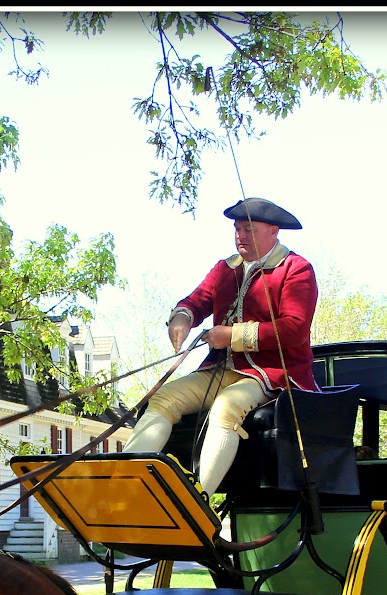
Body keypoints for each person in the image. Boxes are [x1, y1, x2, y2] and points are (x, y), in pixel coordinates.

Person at [124, 197, 318, 495]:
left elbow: (293, 329)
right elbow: (196, 301)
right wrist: (181, 317)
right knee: (162, 399)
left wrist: (231, 336)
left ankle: (200, 499)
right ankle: (125, 490)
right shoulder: (225, 269)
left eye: (249, 229)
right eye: (237, 229)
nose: (240, 235)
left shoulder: (296, 268)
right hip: (221, 369)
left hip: (274, 374)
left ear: (273, 231)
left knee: (226, 407)